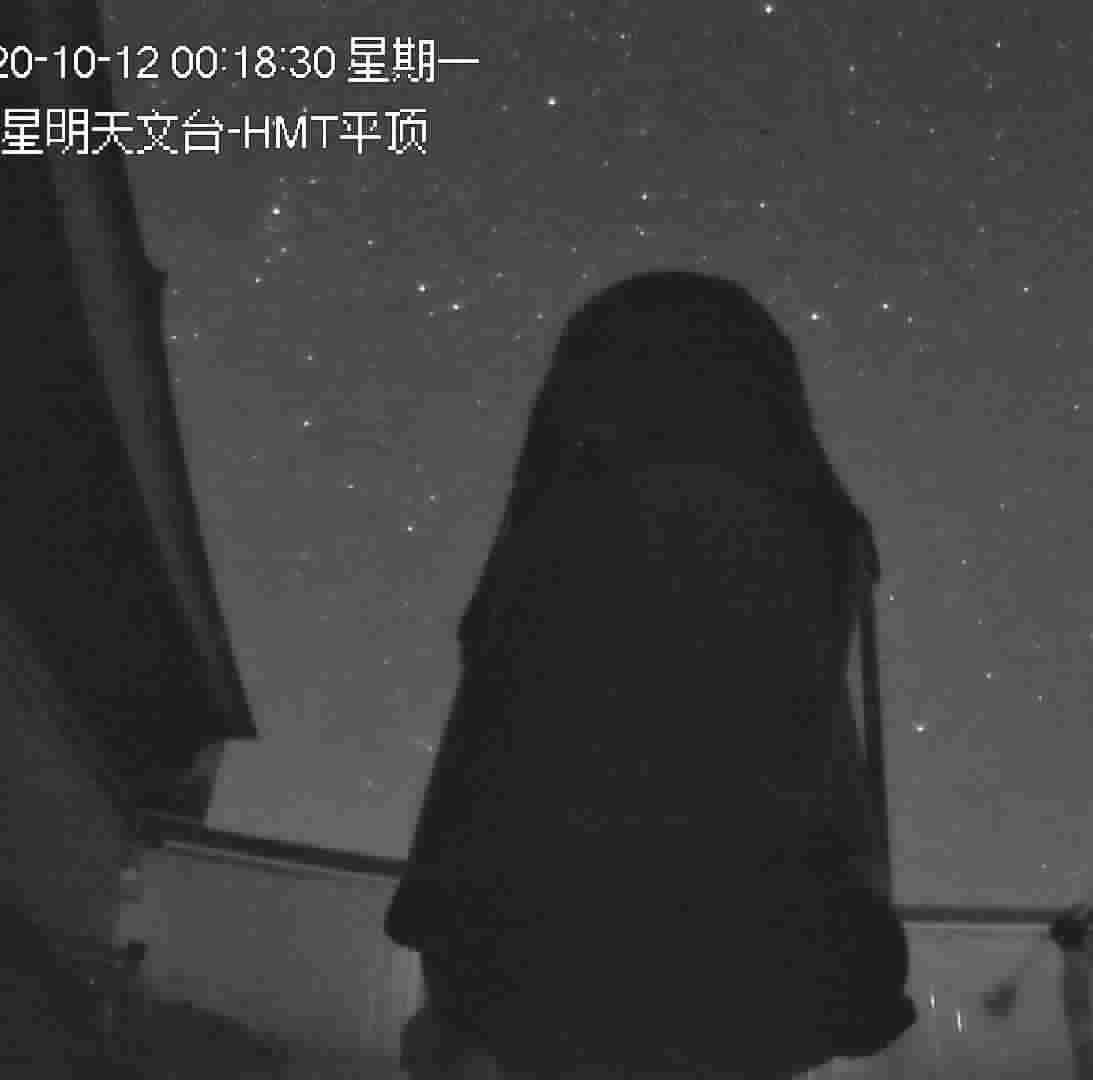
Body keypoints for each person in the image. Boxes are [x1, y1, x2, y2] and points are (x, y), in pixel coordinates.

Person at [385, 270, 917, 1078]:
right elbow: (823, 761)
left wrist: (451, 972)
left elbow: (495, 745)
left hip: (567, 957)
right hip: (768, 967)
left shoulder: (584, 511)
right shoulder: (816, 535)